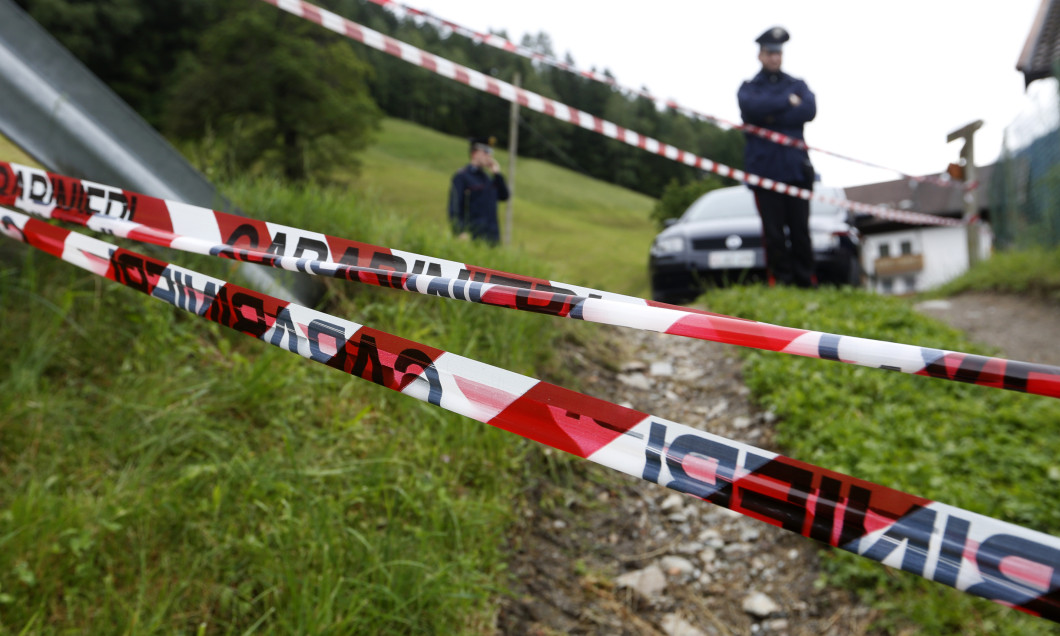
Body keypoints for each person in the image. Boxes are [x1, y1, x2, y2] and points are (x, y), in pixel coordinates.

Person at [738, 26, 817, 288]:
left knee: (801, 232)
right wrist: (786, 102)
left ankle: (806, 283)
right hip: (765, 173)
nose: (774, 58)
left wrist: (770, 112)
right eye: (769, 53)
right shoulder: (749, 88)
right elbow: (752, 109)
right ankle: (781, 284)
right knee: (773, 234)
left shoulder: (798, 85)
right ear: (760, 55)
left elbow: (808, 110)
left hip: (796, 171)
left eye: (778, 53)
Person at [448, 136, 509, 245]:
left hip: (492, 238)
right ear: (474, 153)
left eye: (491, 152)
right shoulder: (462, 176)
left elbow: (504, 196)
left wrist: (497, 174)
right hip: (472, 237)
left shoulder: (488, 178)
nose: (489, 156)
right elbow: (455, 208)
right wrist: (459, 232)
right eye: (486, 152)